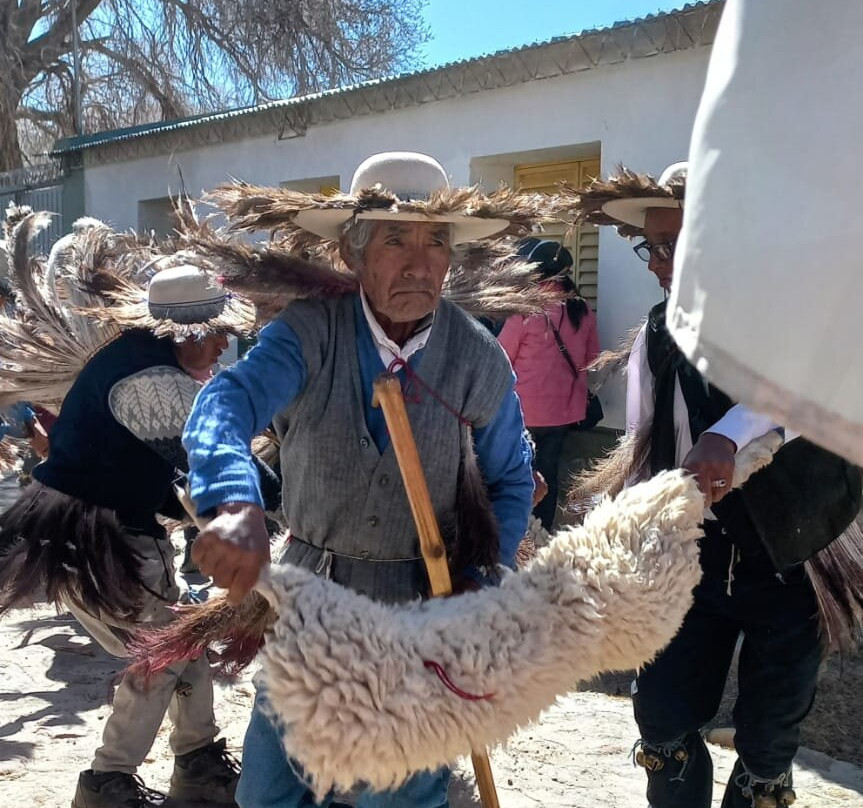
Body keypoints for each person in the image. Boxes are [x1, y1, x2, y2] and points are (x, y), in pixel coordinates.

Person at [182, 151, 538, 808]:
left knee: (396, 796)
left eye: (436, 241)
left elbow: (511, 478)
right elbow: (226, 402)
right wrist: (234, 500)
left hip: (418, 611)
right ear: (352, 254)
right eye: (395, 238)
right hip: (309, 605)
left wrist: (480, 581)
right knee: (268, 794)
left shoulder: (474, 356)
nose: (420, 260)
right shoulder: (307, 333)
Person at [569, 162, 861, 808]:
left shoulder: (793, 316)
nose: (656, 262)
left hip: (795, 561)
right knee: (663, 715)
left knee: (766, 743)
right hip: (694, 562)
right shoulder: (655, 331)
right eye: (650, 245)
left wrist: (728, 435)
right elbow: (641, 446)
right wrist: (610, 529)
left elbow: (803, 386)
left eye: (674, 243)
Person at [0, 261, 256, 808]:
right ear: (185, 333)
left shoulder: (134, 360)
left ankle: (198, 762)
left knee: (182, 646)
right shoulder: (153, 381)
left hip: (89, 530)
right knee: (160, 656)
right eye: (217, 334)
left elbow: (164, 481)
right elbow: (201, 473)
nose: (222, 346)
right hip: (104, 539)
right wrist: (270, 503)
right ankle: (107, 782)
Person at [498, 238, 599, 530]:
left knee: (520, 472)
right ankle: (542, 531)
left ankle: (518, 532)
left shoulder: (525, 309)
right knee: (549, 473)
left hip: (523, 411)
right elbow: (592, 360)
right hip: (563, 412)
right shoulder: (583, 311)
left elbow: (502, 356)